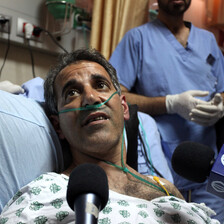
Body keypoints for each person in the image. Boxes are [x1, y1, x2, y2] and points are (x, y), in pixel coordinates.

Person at [0, 48, 220, 223]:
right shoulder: (43, 194)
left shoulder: (165, 188)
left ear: (124, 108)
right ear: (58, 126)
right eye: (72, 93)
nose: (90, 98)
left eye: (101, 85)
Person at [109, 0, 224, 222]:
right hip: (160, 166)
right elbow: (117, 96)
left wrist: (221, 106)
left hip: (209, 165)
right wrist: (169, 103)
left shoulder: (208, 40)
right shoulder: (138, 39)